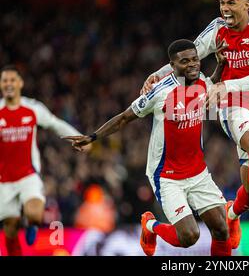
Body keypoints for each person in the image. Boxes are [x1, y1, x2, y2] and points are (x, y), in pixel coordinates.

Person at [140, 0, 249, 249]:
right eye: (222, 2)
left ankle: (232, 213)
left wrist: (228, 83)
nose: (225, 8)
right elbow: (190, 55)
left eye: (231, 2)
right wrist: (158, 74)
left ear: (247, 4)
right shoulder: (217, 29)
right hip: (229, 104)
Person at [64, 39, 232, 256]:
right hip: (168, 176)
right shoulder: (160, 91)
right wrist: (93, 136)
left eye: (195, 59)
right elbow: (124, 118)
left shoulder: (200, 81)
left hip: (198, 172)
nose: (192, 65)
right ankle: (150, 226)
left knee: (221, 229)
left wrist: (220, 65)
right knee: (190, 236)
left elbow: (211, 86)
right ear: (172, 66)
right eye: (185, 61)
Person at [0, 65, 89, 256]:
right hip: (3, 180)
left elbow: (54, 124)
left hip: (28, 174)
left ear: (20, 83)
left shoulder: (32, 108)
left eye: (12, 80)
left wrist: (78, 137)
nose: (8, 84)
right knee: (10, 230)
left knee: (34, 213)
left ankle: (31, 223)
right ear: (1, 84)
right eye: (5, 80)